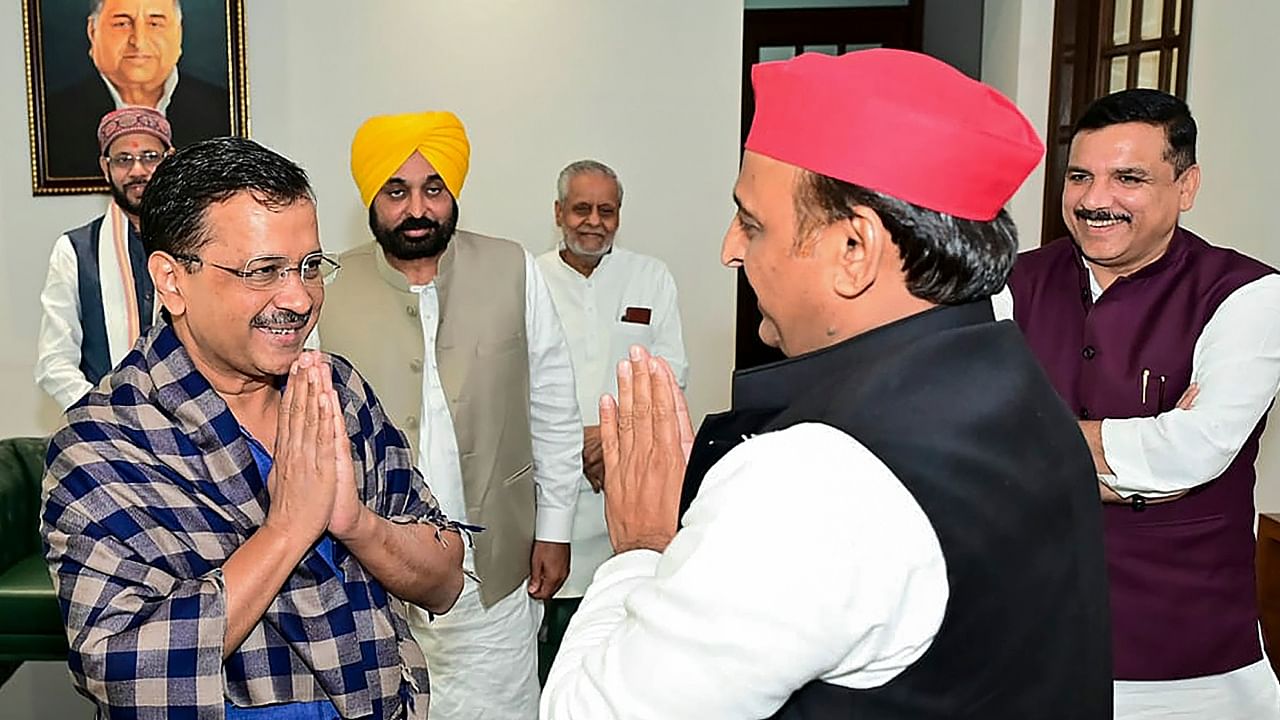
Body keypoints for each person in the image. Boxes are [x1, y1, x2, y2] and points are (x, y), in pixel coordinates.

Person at [541, 49, 1113, 719]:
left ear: (854, 251)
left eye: (752, 222)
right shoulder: (1018, 382)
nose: (729, 248)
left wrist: (641, 550)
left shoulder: (811, 478)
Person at [41, 136, 466, 719]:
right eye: (263, 271)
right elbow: (124, 675)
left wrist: (358, 525)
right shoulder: (103, 447)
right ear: (171, 280)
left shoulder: (334, 392)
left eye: (310, 267)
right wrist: (287, 531)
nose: (298, 298)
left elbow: (444, 582)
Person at [1003, 88, 1280, 720]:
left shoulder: (1249, 296)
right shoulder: (1008, 284)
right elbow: (952, 436)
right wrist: (1135, 457)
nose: (1096, 200)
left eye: (1129, 178)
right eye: (1080, 176)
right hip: (1025, 642)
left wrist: (1018, 440)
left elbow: (1189, 454)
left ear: (1187, 185)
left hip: (1187, 663)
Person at [320, 110, 582, 720]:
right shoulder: (325, 285)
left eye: (433, 189)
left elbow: (552, 405)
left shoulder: (514, 268)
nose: (417, 208)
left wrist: (557, 528)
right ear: (371, 198)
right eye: (397, 191)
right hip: (370, 580)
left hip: (493, 569)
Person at [533, 158, 687, 681]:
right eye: (582, 209)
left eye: (607, 210)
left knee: (626, 633)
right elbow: (516, 377)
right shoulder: (530, 279)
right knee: (552, 641)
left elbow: (671, 371)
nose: (593, 221)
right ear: (558, 213)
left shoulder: (650, 277)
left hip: (629, 481)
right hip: (550, 489)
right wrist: (567, 442)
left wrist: (611, 435)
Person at [36, 106, 172, 411]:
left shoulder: (196, 243)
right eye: (124, 159)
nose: (138, 170)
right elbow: (54, 361)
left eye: (150, 157)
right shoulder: (74, 250)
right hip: (103, 430)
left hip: (193, 425)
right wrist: (102, 414)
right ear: (105, 166)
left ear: (169, 159)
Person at [44, 0, 230, 180]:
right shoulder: (54, 115)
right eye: (122, 24)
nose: (139, 41)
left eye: (155, 23)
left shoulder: (221, 107)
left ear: (178, 32)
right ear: (93, 32)